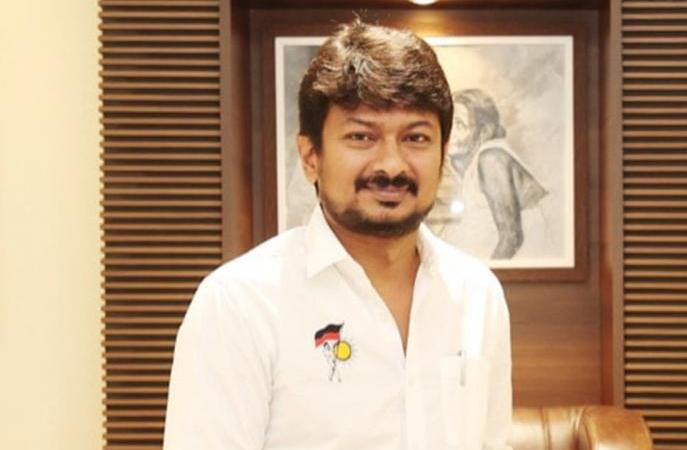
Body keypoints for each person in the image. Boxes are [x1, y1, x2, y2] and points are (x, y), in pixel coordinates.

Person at [163, 20, 511, 450]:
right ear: (311, 157)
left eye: (416, 137)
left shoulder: (478, 294)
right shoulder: (239, 302)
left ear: (442, 156)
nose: (392, 165)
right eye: (361, 136)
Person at [428, 88, 547, 260]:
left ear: (484, 132)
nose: (451, 134)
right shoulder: (458, 164)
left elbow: (512, 238)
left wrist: (481, 274)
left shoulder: (491, 159)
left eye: (460, 125)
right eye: (449, 124)